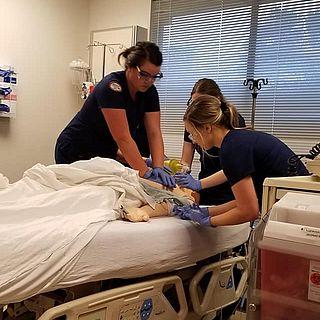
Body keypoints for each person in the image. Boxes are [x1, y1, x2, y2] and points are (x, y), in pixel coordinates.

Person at [174, 94, 309, 226]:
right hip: (299, 202)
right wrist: (207, 211)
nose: (192, 139)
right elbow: (242, 200)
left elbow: (248, 211)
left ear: (208, 128)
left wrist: (207, 221)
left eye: (193, 133)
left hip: (301, 206)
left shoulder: (232, 148)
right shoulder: (237, 139)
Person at [55, 41, 175, 188]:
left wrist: (158, 166)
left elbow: (154, 132)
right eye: (144, 74)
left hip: (102, 152)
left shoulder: (150, 93)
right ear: (129, 66)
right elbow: (123, 138)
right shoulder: (111, 87)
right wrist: (145, 174)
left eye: (155, 76)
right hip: (76, 149)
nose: (149, 81)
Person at [178, 78, 246, 205]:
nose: (196, 109)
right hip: (205, 186)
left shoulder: (233, 122)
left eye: (201, 103)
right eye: (194, 103)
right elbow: (185, 161)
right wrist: (180, 171)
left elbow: (234, 169)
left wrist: (199, 184)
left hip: (230, 187)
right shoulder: (193, 122)